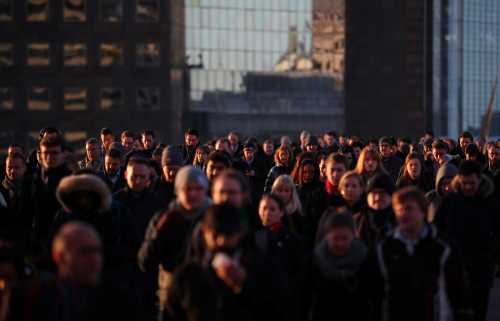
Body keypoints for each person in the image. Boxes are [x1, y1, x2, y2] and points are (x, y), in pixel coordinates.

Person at [164, 204, 288, 321]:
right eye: (215, 234)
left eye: (228, 234)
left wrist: (245, 286)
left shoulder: (261, 268)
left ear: (240, 233)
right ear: (204, 232)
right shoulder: (188, 274)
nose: (221, 241)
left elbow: (281, 310)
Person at [367, 186, 466, 321]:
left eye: (409, 208)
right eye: (399, 210)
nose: (404, 214)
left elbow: (458, 291)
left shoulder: (443, 247)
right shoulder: (384, 248)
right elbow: (375, 294)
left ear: (422, 211)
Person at [434, 160, 500, 321]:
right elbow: (437, 230)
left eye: (472, 183)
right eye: (464, 183)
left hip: (482, 268)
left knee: (479, 311)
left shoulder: (490, 201)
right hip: (454, 267)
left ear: (479, 179)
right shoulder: (450, 201)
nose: (468, 187)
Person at [301, 213, 369, 321]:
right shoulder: (315, 262)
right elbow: (304, 299)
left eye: (344, 238)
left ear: (353, 235)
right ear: (327, 236)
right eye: (336, 238)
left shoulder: (365, 259)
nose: (340, 243)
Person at [31, 136, 71, 252]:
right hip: (37, 243)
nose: (49, 157)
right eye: (45, 153)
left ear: (63, 154)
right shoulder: (33, 180)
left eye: (54, 153)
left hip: (63, 242)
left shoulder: (71, 181)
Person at [353, 173, 396, 248]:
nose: (377, 198)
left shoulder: (401, 222)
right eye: (374, 193)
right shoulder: (356, 221)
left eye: (382, 193)